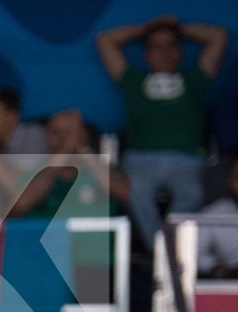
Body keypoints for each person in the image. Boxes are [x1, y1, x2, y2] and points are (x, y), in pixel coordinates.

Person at [96, 15, 228, 246]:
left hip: (186, 162)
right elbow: (104, 40)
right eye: (156, 47)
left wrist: (178, 27)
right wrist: (146, 28)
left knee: (193, 194)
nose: (164, 52)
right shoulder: (133, 81)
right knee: (136, 193)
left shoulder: (194, 80)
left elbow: (219, 36)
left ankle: (162, 251)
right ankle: (163, 252)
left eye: (170, 46)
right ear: (146, 54)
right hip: (140, 161)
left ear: (180, 52)